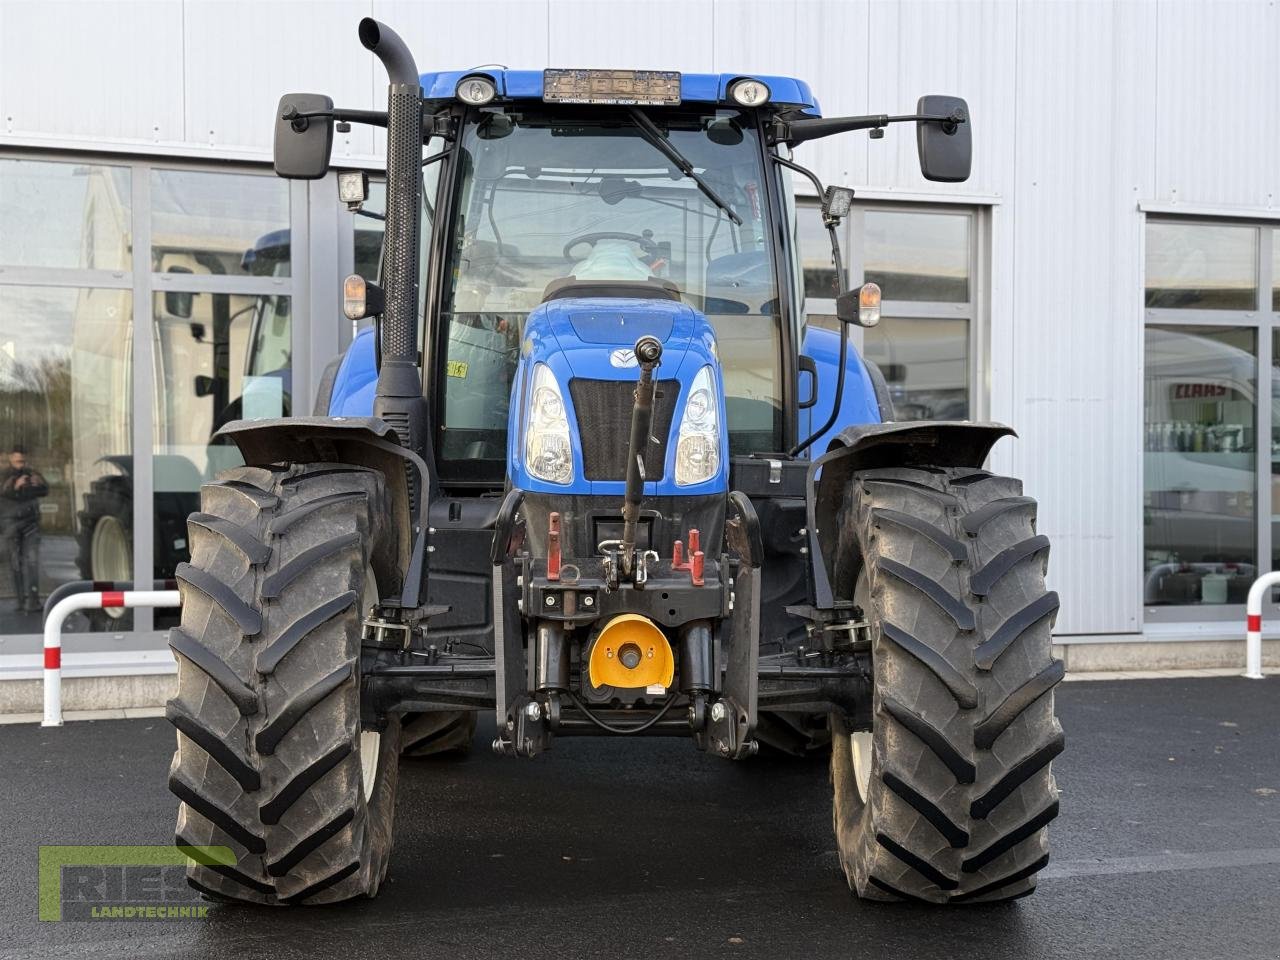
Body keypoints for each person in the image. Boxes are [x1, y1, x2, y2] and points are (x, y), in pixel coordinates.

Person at [0, 445, 49, 613]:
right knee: (15, 563)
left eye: (22, 461)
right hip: (11, 524)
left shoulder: (32, 473)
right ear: (11, 459)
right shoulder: (4, 475)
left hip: (30, 523)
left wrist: (37, 484)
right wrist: (15, 485)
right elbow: (3, 491)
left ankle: (33, 600)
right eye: (17, 461)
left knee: (32, 561)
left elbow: (45, 490)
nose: (20, 465)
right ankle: (20, 600)